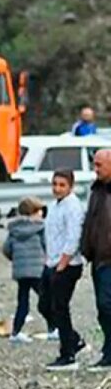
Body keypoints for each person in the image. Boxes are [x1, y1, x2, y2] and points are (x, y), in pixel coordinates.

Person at [40, 169, 88, 371]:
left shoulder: (73, 207)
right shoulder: (54, 205)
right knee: (44, 305)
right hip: (51, 262)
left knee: (60, 308)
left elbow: (73, 237)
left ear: (70, 186)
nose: (57, 189)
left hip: (67, 265)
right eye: (55, 184)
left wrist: (63, 262)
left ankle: (67, 355)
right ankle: (74, 339)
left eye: (62, 185)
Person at [2, 196, 50, 343]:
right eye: (39, 211)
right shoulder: (40, 228)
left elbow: (7, 249)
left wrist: (16, 260)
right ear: (34, 212)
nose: (42, 214)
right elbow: (46, 246)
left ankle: (15, 332)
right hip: (37, 271)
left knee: (22, 302)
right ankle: (54, 328)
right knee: (45, 299)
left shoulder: (14, 229)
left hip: (21, 272)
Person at [80, 149, 111, 371]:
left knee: (106, 304)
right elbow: (90, 221)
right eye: (95, 164)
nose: (96, 169)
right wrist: (85, 248)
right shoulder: (96, 190)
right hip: (98, 258)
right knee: (102, 309)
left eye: (99, 165)